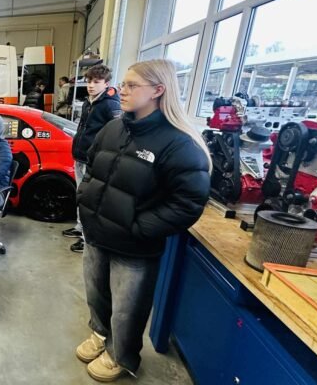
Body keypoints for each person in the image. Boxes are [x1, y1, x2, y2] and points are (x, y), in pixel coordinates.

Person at [74, 59, 210, 382]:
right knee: (96, 293)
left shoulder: (179, 144)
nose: (122, 90)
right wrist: (85, 201)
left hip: (133, 245)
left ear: (158, 90)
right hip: (97, 232)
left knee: (127, 309)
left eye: (132, 85)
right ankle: (100, 333)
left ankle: (121, 356)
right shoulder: (113, 128)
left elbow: (188, 203)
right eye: (123, 83)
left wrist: (139, 227)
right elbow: (91, 167)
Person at [63, 64, 122, 253]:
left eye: (96, 82)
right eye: (89, 81)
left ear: (106, 83)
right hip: (81, 156)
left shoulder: (110, 105)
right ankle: (80, 227)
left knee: (89, 199)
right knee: (80, 195)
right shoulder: (89, 101)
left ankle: (86, 238)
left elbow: (115, 134)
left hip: (94, 160)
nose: (91, 85)